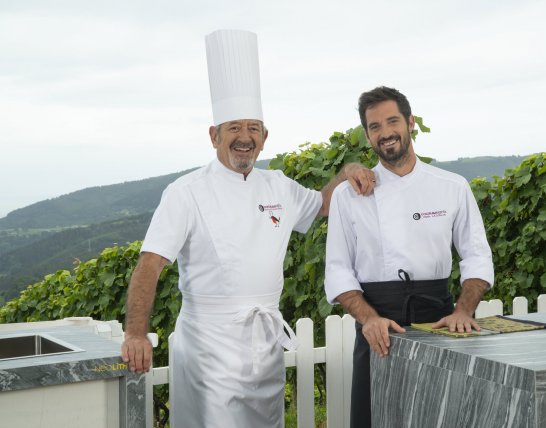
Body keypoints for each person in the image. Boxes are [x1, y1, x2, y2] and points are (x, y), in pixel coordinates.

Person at [120, 30, 375, 428]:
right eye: (234, 128)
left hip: (264, 344)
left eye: (253, 128)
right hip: (208, 346)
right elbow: (149, 265)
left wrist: (347, 172)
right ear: (213, 136)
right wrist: (136, 333)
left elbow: (323, 204)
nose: (244, 138)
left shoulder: (279, 186)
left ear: (264, 137)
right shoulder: (186, 192)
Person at [324, 86, 494, 428]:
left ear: (410, 122)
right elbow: (339, 270)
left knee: (440, 417)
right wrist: (369, 319)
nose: (385, 132)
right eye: (374, 126)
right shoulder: (348, 195)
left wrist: (463, 310)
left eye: (392, 121)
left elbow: (476, 256)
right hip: (377, 327)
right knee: (375, 417)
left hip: (438, 321)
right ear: (367, 135)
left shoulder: (452, 186)